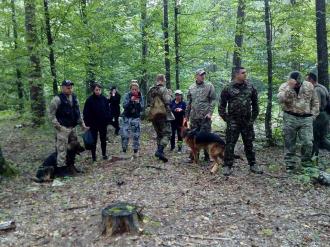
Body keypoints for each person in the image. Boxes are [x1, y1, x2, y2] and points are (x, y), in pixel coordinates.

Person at [219, 67, 262, 176]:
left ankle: (253, 165)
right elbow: (221, 106)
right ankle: (227, 166)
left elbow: (256, 105)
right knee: (230, 144)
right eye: (243, 73)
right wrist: (227, 120)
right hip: (233, 122)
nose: (245, 74)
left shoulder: (250, 87)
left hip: (247, 122)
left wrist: (252, 119)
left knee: (249, 144)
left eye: (245, 73)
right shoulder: (228, 88)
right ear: (237, 74)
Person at [277, 71, 319, 171]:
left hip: (306, 118)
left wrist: (313, 115)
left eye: (299, 83)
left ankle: (306, 165)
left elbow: (315, 101)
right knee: (289, 142)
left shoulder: (309, 85)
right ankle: (290, 165)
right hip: (290, 117)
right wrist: (289, 88)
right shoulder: (284, 86)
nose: (297, 84)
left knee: (308, 142)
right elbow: (281, 99)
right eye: (296, 83)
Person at [49, 79, 88, 174]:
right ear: (62, 88)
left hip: (72, 128)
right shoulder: (57, 99)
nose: (70, 88)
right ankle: (61, 170)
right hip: (62, 129)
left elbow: (78, 113)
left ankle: (71, 166)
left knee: (73, 148)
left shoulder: (74, 98)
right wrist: (59, 127)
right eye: (67, 87)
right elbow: (51, 115)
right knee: (62, 150)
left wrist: (82, 124)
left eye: (71, 87)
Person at [185, 69, 216, 162]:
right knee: (193, 137)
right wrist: (186, 116)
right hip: (194, 117)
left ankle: (207, 156)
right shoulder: (191, 88)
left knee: (206, 136)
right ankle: (194, 157)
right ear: (196, 76)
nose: (203, 76)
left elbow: (213, 100)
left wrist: (210, 113)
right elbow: (189, 103)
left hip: (205, 117)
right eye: (201, 75)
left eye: (204, 75)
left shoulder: (209, 86)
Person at [147, 74, 174, 162]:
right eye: (164, 79)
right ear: (162, 80)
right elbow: (168, 101)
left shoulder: (151, 90)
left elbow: (148, 102)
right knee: (167, 133)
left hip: (154, 115)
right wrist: (170, 94)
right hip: (163, 115)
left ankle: (160, 153)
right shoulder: (164, 89)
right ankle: (160, 151)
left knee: (159, 134)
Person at [83, 82, 111, 161]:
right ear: (93, 90)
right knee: (93, 141)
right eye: (96, 90)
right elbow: (86, 113)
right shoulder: (89, 100)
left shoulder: (104, 99)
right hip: (93, 124)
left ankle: (104, 154)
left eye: (99, 90)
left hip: (103, 123)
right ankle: (94, 157)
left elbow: (108, 110)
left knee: (103, 139)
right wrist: (87, 124)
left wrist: (108, 119)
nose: (98, 91)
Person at [306, 70, 330, 156]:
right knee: (321, 139)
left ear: (311, 80)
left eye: (307, 80)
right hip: (324, 116)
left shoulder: (316, 90)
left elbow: (317, 106)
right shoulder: (323, 87)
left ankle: (313, 160)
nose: (306, 83)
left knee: (315, 139)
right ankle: (313, 160)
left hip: (319, 117)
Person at [120, 80, 144, 158]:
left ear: (138, 89)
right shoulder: (127, 95)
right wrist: (131, 101)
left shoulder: (140, 96)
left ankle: (136, 151)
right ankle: (124, 150)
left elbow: (142, 108)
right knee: (125, 134)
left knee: (136, 135)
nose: (134, 91)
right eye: (132, 89)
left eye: (135, 89)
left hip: (135, 117)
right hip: (126, 117)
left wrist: (137, 103)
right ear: (130, 89)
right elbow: (124, 106)